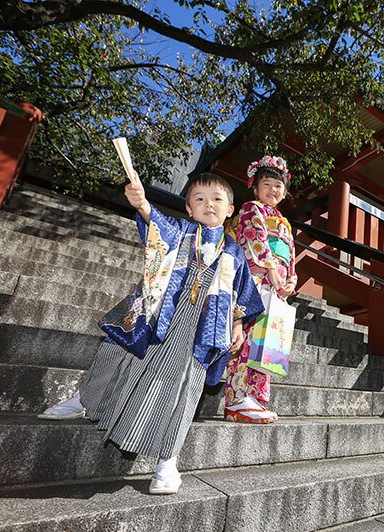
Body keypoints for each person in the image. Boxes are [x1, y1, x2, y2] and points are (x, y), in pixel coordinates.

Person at [39, 172, 264, 495]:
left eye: (217, 199)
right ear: (188, 209)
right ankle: (86, 399)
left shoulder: (235, 252)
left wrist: (239, 324)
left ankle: (167, 460)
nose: (208, 204)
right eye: (199, 199)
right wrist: (143, 204)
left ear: (230, 209)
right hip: (160, 308)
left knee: (183, 387)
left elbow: (243, 294)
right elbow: (159, 227)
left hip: (201, 324)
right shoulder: (182, 231)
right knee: (117, 352)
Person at [223, 155, 297, 424]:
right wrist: (271, 268)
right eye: (267, 184)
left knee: (267, 344)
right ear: (255, 187)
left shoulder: (285, 222)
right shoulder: (252, 209)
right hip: (255, 280)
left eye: (279, 186)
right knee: (248, 337)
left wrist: (291, 279)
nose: (273, 190)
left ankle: (256, 398)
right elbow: (254, 240)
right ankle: (238, 398)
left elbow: (289, 255)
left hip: (276, 286)